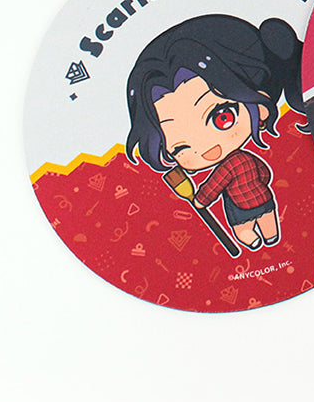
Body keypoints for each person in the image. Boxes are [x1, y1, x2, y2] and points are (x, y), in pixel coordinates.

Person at [125, 14, 304, 250]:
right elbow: (264, 173)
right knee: (266, 217)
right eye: (179, 147)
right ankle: (269, 237)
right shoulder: (247, 161)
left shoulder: (228, 167)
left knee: (243, 226)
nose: (209, 150)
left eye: (222, 118)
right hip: (262, 197)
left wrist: (201, 201)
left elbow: (214, 186)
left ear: (261, 106)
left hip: (239, 207)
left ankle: (253, 239)